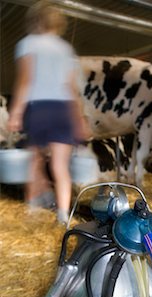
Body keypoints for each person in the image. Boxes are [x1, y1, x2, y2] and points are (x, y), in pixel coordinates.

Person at [8, 0, 89, 224]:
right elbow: (72, 89)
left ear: (34, 21)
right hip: (63, 109)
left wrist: (15, 111)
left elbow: (25, 79)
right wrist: (79, 120)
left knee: (33, 161)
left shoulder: (27, 44)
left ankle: (33, 210)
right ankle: (63, 215)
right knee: (60, 166)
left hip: (39, 108)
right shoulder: (66, 49)